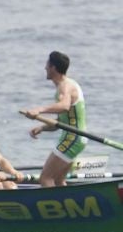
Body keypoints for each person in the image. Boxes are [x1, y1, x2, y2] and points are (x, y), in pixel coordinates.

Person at [20, 51, 87, 187]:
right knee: (58, 181)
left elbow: (64, 106)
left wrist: (39, 110)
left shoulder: (65, 86)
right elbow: (62, 122)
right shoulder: (66, 85)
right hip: (76, 138)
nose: (45, 68)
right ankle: (68, 206)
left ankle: (53, 207)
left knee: (45, 178)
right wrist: (42, 128)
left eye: (47, 65)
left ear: (53, 68)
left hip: (72, 138)